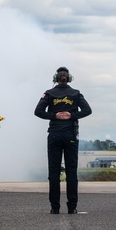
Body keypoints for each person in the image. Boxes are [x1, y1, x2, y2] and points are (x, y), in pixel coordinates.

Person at [34, 66, 92, 214]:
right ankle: (72, 208)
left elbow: (38, 111)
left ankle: (55, 208)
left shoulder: (49, 93)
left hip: (54, 135)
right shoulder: (76, 94)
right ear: (69, 78)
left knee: (54, 173)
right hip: (70, 136)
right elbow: (87, 110)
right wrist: (71, 115)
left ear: (56, 79)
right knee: (72, 173)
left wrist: (54, 116)